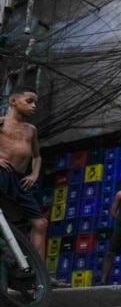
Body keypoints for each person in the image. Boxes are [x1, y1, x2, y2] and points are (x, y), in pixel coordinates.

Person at [0, 86, 70, 288]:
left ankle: (40, 275)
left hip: (19, 180)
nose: (34, 106)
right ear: (14, 101)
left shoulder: (31, 130)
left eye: (35, 102)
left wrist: (34, 173)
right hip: (2, 174)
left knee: (40, 224)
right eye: (29, 101)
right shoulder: (2, 122)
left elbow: (37, 156)